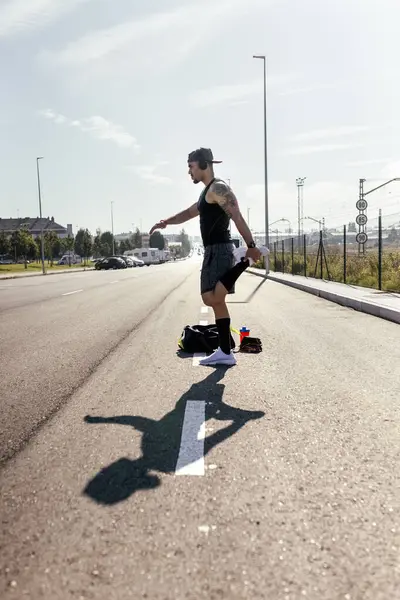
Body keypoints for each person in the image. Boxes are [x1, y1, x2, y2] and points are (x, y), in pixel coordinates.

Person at [150, 147, 266, 366]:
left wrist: (251, 245)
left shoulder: (219, 188)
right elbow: (188, 213)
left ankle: (245, 261)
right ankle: (225, 352)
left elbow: (237, 217)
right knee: (214, 300)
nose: (189, 172)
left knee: (211, 297)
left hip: (221, 248)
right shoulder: (206, 193)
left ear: (203, 165)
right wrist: (166, 222)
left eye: (191, 166)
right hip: (212, 250)